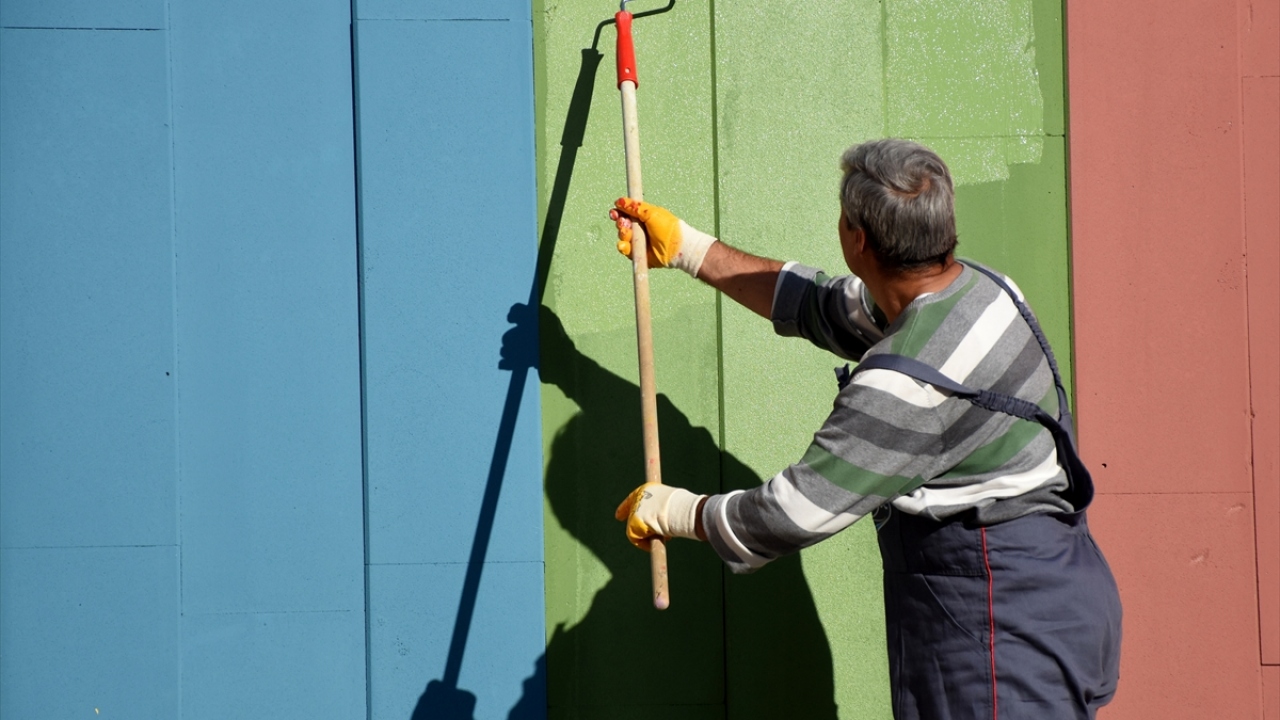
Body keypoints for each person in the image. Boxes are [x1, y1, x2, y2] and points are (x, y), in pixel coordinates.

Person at [610, 138, 1122, 719]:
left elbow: (793, 512)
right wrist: (689, 249)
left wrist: (677, 512)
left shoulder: (909, 384)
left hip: (995, 635)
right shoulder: (984, 292)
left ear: (856, 240)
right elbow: (824, 306)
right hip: (1059, 595)